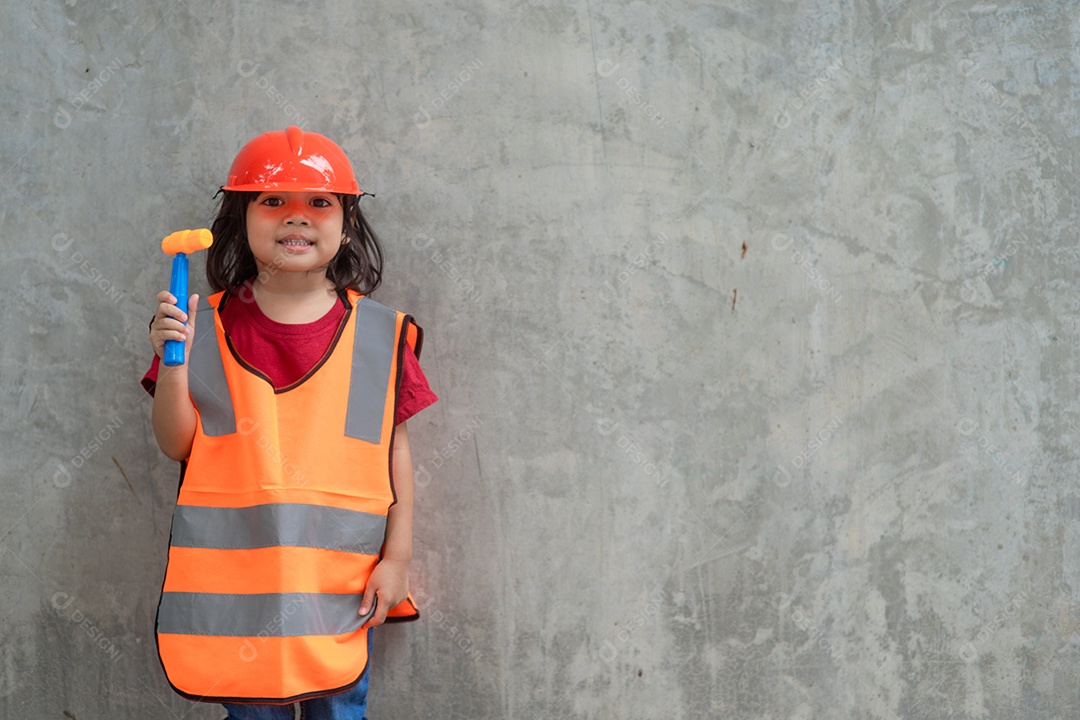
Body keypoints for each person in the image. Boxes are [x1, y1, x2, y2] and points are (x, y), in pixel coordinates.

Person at [142, 126, 437, 719]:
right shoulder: (203, 324)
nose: (295, 217)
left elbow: (392, 454)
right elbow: (177, 444)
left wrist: (397, 559)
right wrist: (175, 361)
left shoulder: (379, 334)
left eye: (318, 202)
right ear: (240, 218)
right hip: (236, 598)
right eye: (272, 201)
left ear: (347, 221)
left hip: (341, 589)